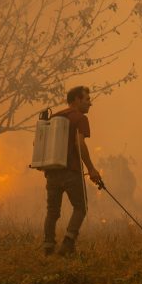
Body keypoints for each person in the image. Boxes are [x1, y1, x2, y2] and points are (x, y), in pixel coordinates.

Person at [42, 86, 102, 256]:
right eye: (87, 99)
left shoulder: (55, 117)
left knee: (52, 211)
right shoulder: (79, 118)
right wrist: (91, 169)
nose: (90, 104)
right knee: (80, 208)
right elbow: (79, 143)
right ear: (76, 99)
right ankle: (68, 244)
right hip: (71, 171)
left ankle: (48, 247)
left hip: (52, 171)